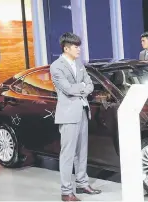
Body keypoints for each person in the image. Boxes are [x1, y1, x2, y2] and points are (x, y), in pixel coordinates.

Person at [50, 32, 101, 202]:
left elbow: (90, 85)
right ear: (66, 48)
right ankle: (66, 192)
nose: (79, 49)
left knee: (81, 151)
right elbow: (68, 89)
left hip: (82, 111)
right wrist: (82, 87)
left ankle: (82, 183)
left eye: (79, 46)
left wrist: (81, 87)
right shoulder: (56, 66)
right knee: (68, 154)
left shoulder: (78, 64)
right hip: (68, 115)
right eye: (76, 46)